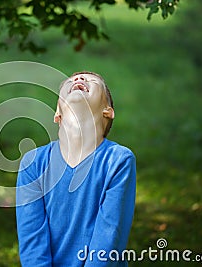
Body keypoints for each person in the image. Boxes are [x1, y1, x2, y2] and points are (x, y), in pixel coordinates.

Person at [16, 71, 136, 266]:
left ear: (108, 110)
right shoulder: (33, 163)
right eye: (71, 81)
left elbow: (109, 236)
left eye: (91, 81)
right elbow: (32, 241)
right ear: (58, 114)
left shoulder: (118, 160)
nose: (79, 80)